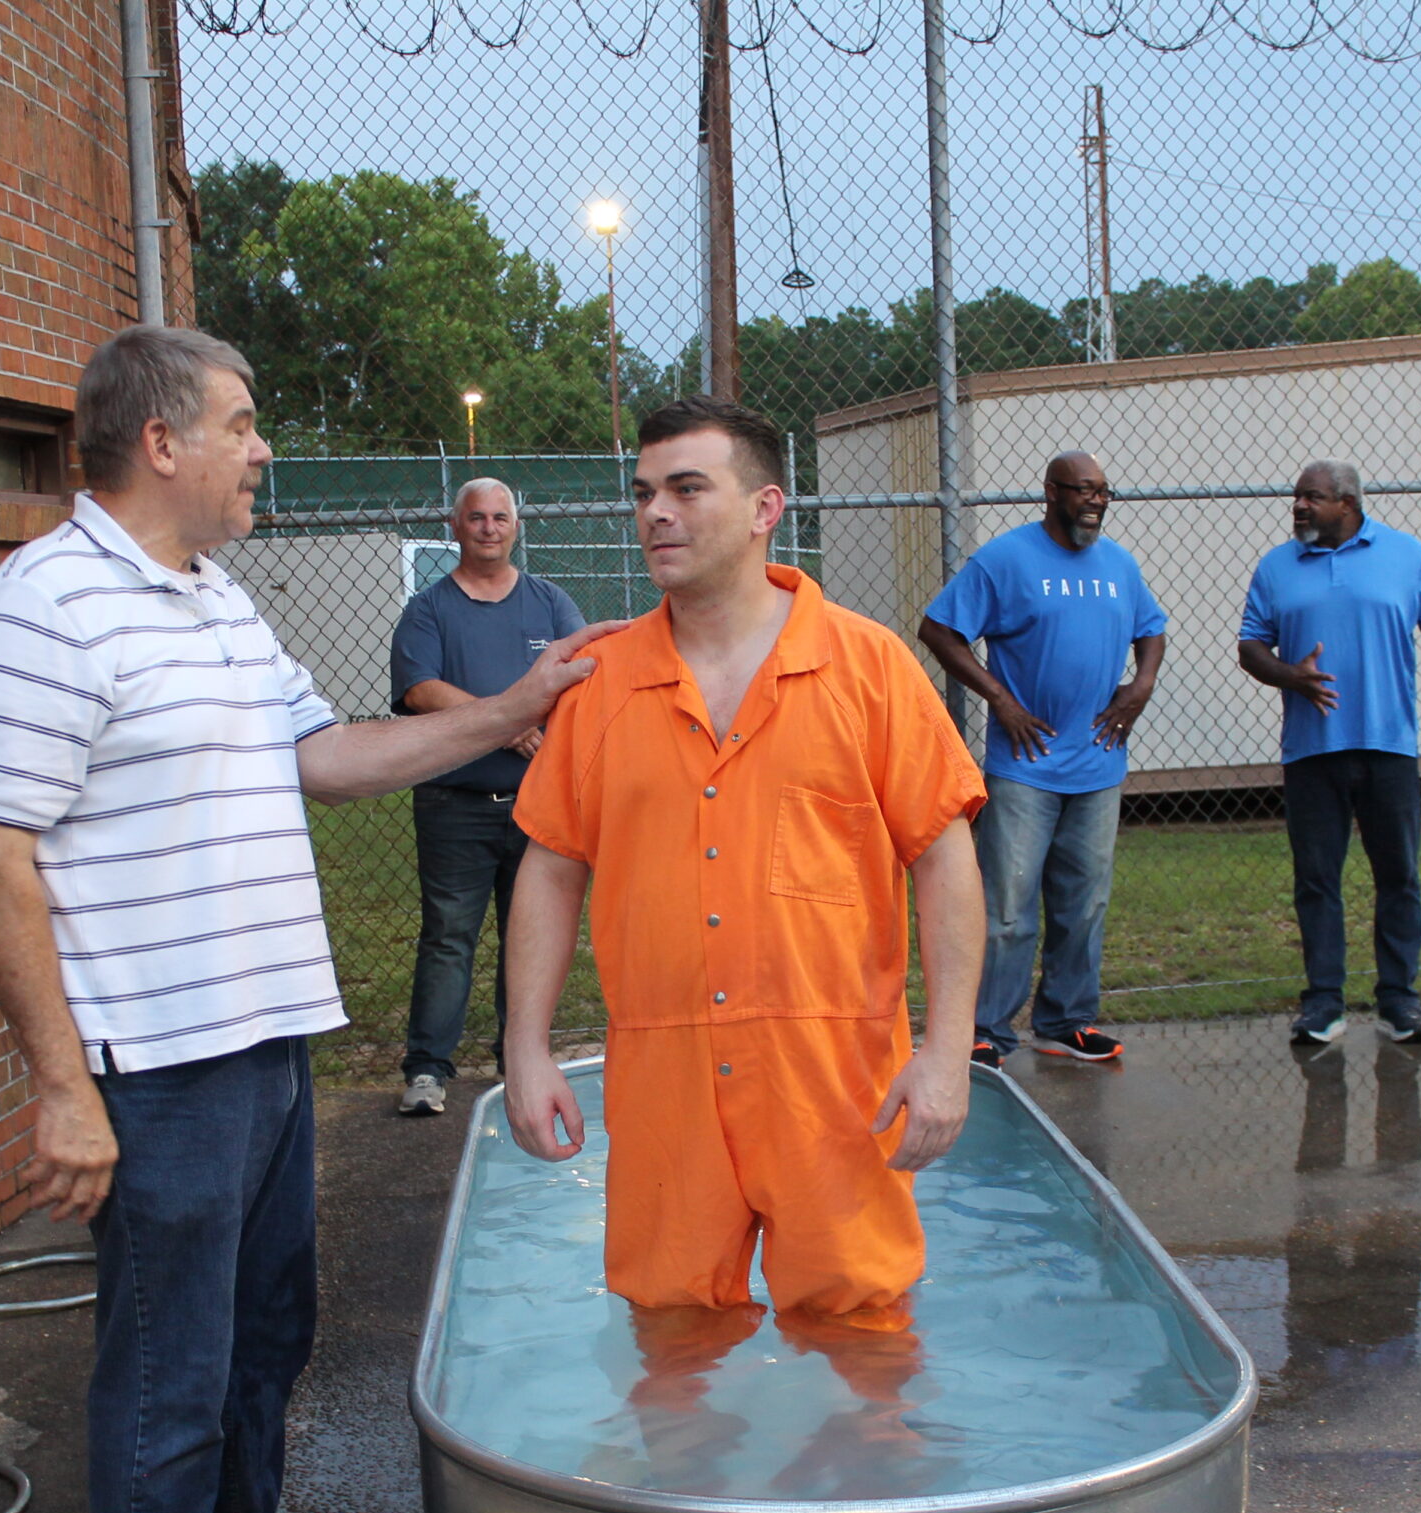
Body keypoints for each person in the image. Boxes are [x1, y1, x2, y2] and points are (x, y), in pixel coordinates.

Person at [0, 326, 617, 1513]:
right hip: (159, 1068)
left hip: (263, 1046)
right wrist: (63, 1085)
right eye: (243, 423)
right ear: (161, 441)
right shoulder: (43, 605)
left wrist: (516, 706)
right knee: (168, 1384)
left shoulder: (215, 599)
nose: (263, 450)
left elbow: (329, 755)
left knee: (261, 1351)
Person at [502, 395, 987, 1320]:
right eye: (644, 492)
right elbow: (551, 867)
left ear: (766, 508)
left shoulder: (869, 666)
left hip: (833, 1072)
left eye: (687, 488)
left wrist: (947, 1051)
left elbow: (943, 857)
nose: (656, 512)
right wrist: (524, 1049)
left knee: (862, 1328)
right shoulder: (600, 685)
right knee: (670, 1331)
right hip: (664, 1075)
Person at [1235, 460, 1421, 1048]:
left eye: (1312, 497)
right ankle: (1322, 1003)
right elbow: (1250, 645)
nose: (1299, 506)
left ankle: (1399, 1000)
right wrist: (1291, 676)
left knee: (1398, 876)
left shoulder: (1404, 554)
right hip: (1312, 751)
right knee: (1316, 880)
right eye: (1296, 496)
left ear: (1348, 504)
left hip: (1388, 745)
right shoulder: (1277, 566)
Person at [919, 450, 1167, 1066]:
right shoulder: (1007, 559)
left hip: (1098, 763)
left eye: (1103, 491)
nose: (1096, 501)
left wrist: (1140, 686)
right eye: (1084, 490)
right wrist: (1000, 699)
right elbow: (939, 629)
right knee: (1008, 908)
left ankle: (1066, 1022)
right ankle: (985, 1031)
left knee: (1084, 904)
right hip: (1025, 766)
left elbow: (1152, 628)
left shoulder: (1119, 564)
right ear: (1052, 493)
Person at [389, 479, 586, 1116]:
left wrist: (535, 722)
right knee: (449, 936)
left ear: (515, 527)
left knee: (529, 936)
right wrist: (508, 720)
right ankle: (427, 1070)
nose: (489, 528)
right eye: (477, 518)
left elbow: (584, 676)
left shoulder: (550, 603)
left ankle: (519, 1063)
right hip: (455, 803)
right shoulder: (428, 610)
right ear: (455, 527)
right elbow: (420, 689)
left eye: (501, 517)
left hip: (537, 806)